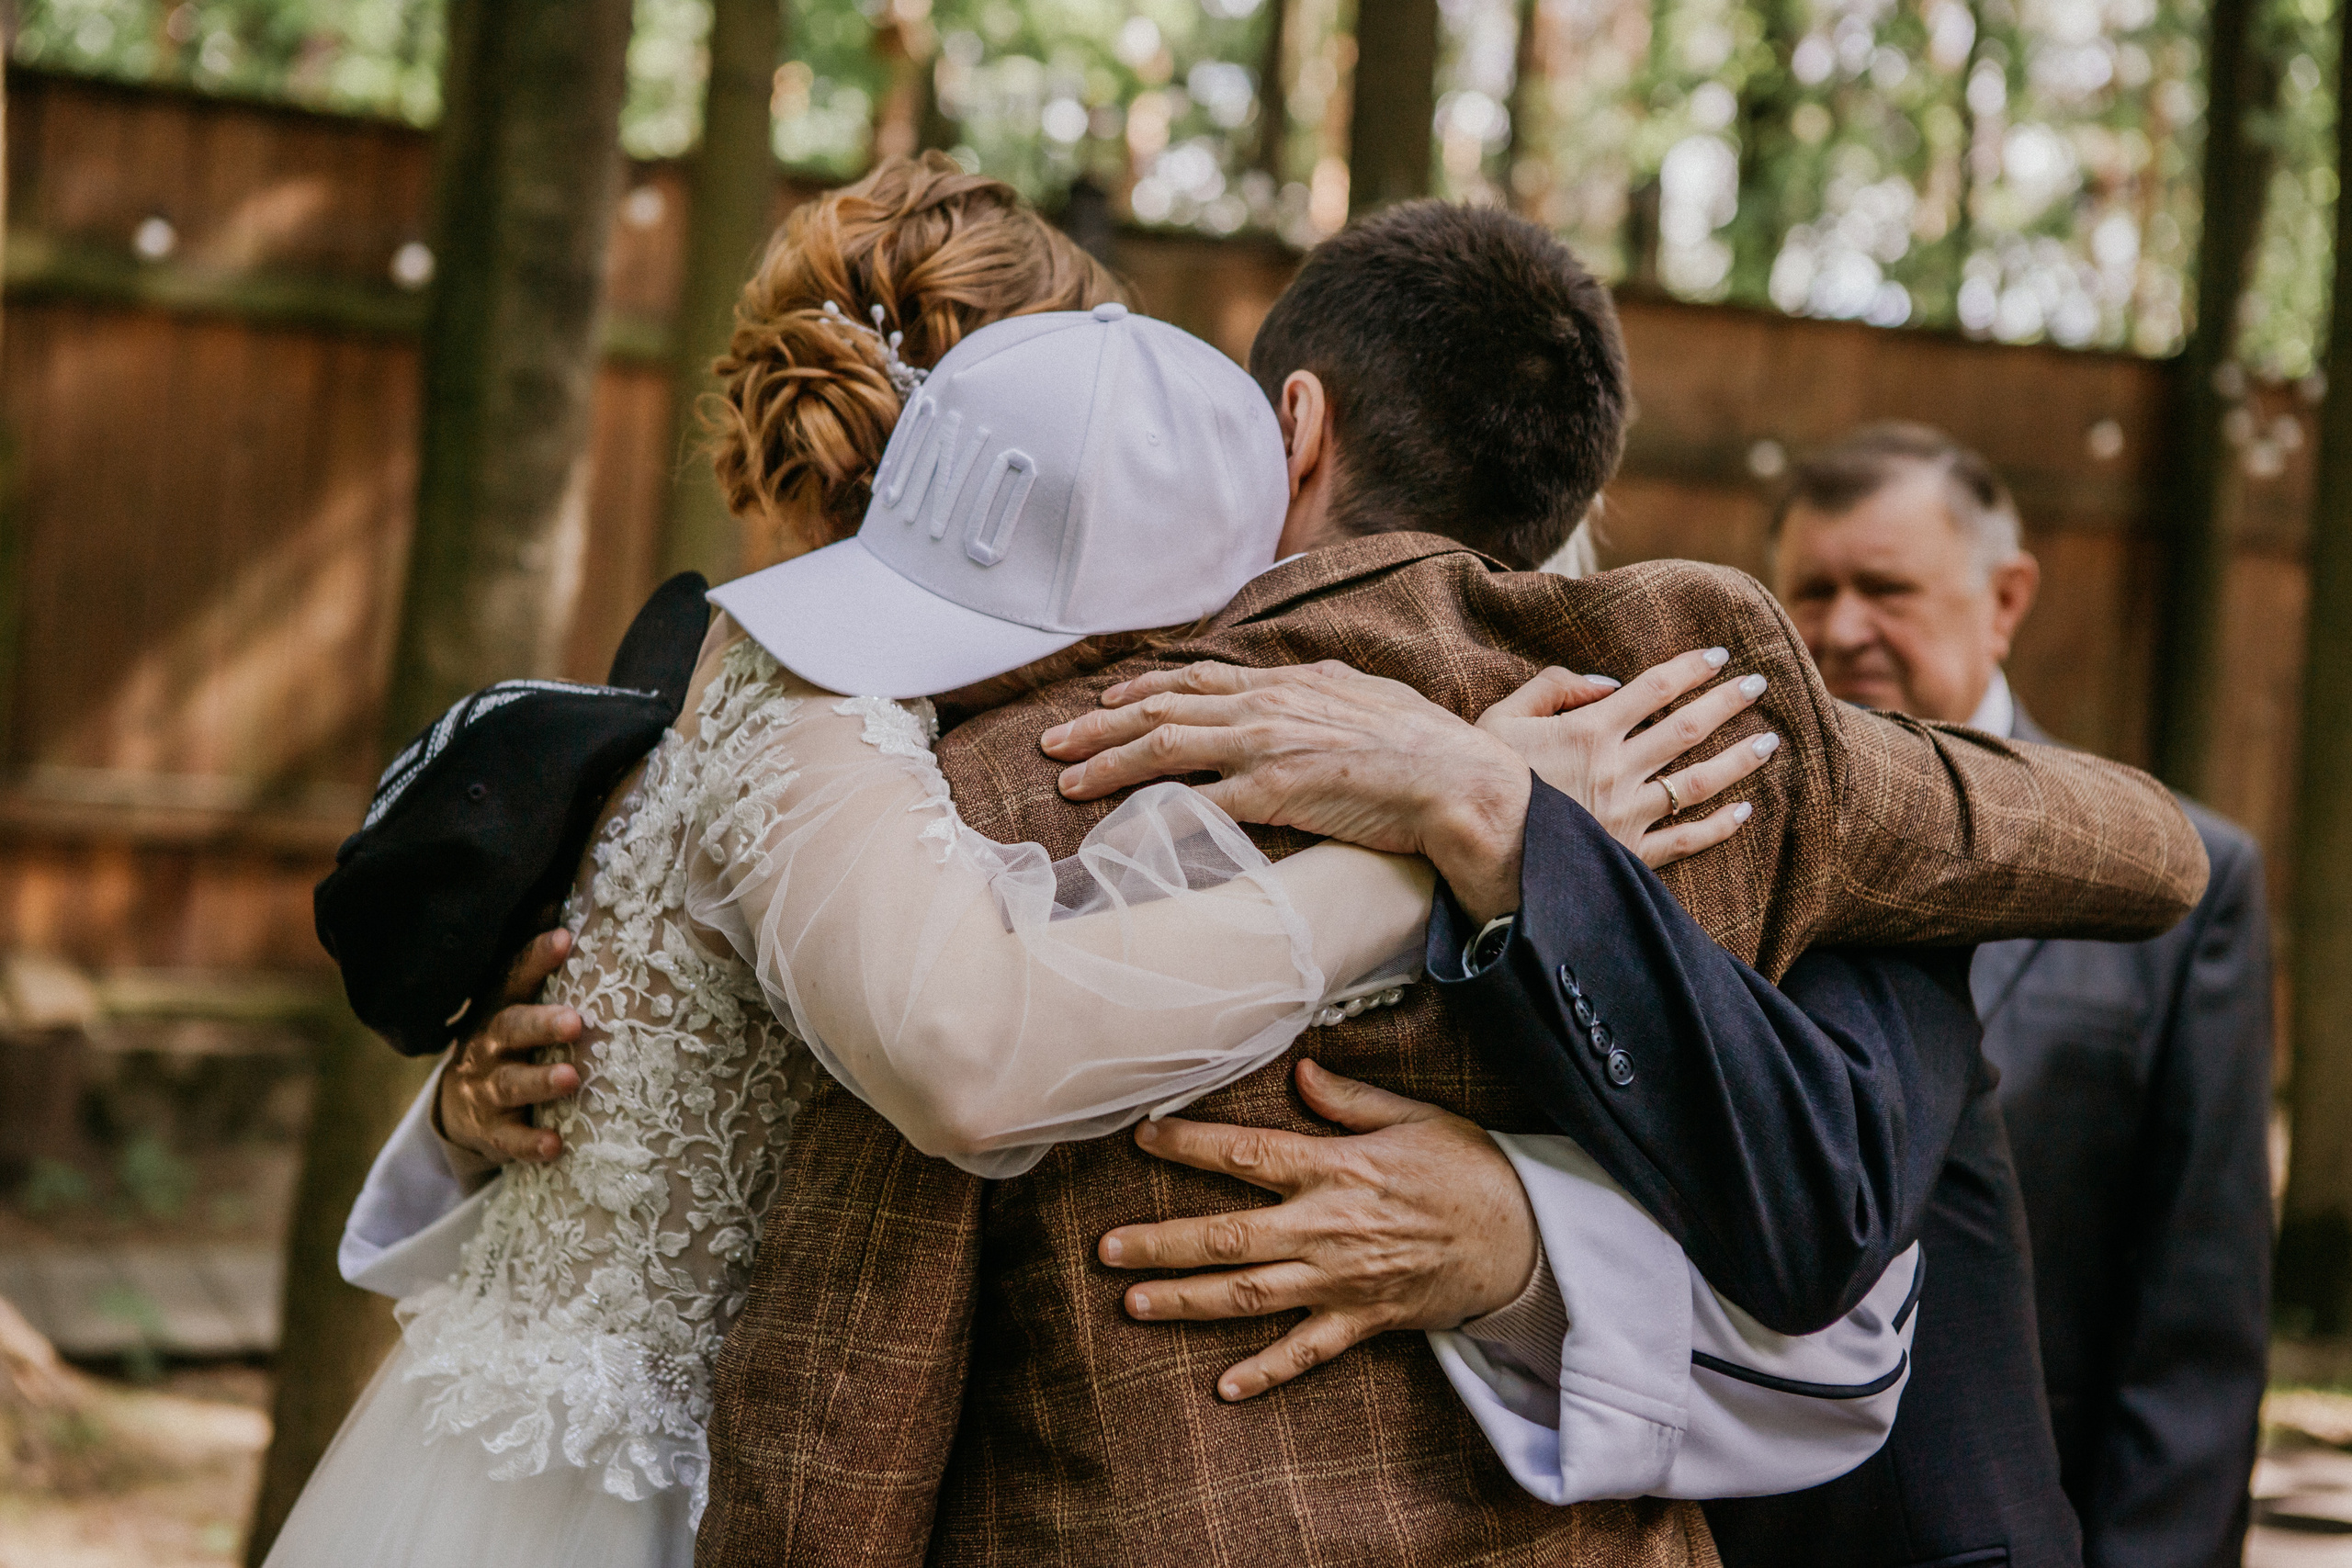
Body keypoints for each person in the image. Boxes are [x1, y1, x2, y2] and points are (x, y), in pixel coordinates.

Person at [302, 158, 1881, 1568]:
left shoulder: (936, 707)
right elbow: (975, 1048)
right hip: (629, 1492)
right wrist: (1463, 841)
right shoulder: (807, 694)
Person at [691, 203, 2206, 1566]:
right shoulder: (1702, 729)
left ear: (1294, 424)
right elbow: (2157, 849)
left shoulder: (1012, 778)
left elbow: (849, 1378)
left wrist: (1487, 809)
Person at [1769, 421, 2273, 1568]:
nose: (1842, 630)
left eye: (1884, 589)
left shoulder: (2188, 888)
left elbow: (2193, 1328)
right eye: (1812, 591)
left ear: (2006, 599)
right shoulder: (1716, 862)